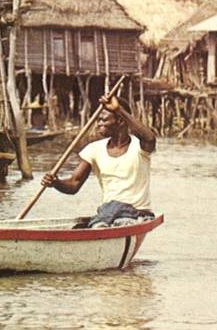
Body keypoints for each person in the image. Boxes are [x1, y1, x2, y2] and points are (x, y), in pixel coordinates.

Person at [41, 92, 157, 228]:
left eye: (104, 120)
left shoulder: (139, 147)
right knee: (105, 216)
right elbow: (73, 184)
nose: (99, 124)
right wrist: (56, 183)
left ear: (120, 121)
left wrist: (118, 110)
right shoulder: (94, 149)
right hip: (109, 213)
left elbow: (150, 138)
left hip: (137, 213)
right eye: (98, 120)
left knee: (111, 214)